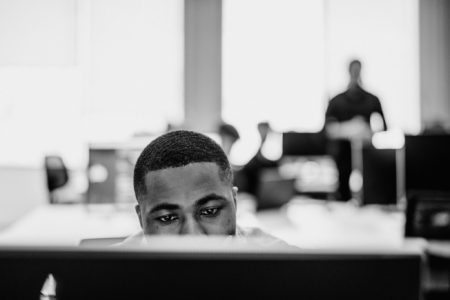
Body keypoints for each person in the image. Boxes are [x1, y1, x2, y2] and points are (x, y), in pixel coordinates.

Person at [120, 130, 285, 244]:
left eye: (210, 211)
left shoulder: (287, 273)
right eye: (167, 218)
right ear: (141, 218)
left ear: (234, 203)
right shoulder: (104, 280)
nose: (192, 236)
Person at [324, 59, 387, 201]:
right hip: (343, 153)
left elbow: (384, 127)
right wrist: (349, 129)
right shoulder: (337, 101)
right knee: (343, 190)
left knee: (370, 190)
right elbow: (327, 130)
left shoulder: (372, 99)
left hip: (367, 152)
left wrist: (366, 132)